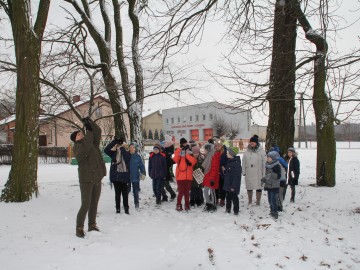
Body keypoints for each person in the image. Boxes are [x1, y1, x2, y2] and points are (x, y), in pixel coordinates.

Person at [70, 117, 106, 238]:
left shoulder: (92, 144)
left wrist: (90, 123)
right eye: (78, 135)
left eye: (81, 133)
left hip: (97, 177)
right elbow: (86, 146)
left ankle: (92, 225)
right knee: (86, 204)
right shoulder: (77, 148)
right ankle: (79, 227)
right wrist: (89, 131)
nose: (81, 134)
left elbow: (98, 131)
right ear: (75, 139)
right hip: (86, 179)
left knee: (94, 203)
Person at [104, 137, 131, 214]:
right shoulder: (114, 154)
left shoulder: (127, 154)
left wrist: (122, 147)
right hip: (116, 177)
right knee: (117, 195)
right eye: (118, 146)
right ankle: (118, 209)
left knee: (125, 195)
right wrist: (114, 141)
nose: (118, 147)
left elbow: (127, 158)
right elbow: (106, 150)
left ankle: (126, 209)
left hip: (124, 177)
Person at [173, 138, 197, 211]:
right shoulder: (178, 151)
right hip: (180, 176)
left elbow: (193, 162)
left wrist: (186, 154)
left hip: (188, 176)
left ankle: (187, 205)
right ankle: (178, 205)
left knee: (187, 192)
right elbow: (175, 160)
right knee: (181, 192)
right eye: (183, 143)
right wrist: (180, 152)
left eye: (186, 143)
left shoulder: (189, 152)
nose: (185, 144)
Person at [242, 135, 267, 206]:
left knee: (259, 186)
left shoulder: (261, 151)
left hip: (258, 172)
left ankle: (258, 201)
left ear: (256, 143)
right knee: (249, 186)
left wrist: (264, 173)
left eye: (253, 142)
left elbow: (264, 163)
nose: (252, 143)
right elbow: (243, 162)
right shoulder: (246, 151)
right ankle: (250, 201)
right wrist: (243, 171)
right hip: (249, 172)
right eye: (251, 142)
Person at [202, 141, 222, 212]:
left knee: (212, 191)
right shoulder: (208, 155)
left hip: (212, 176)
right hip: (207, 175)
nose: (204, 150)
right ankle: (208, 203)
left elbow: (214, 168)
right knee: (205, 191)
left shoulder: (214, 155)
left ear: (208, 149)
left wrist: (212, 178)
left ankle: (213, 205)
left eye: (205, 149)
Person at [261, 151, 282, 219]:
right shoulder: (267, 165)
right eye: (267, 157)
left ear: (273, 158)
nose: (267, 159)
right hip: (268, 185)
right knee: (270, 200)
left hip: (274, 186)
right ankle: (271, 210)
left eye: (269, 157)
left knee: (274, 200)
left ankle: (275, 212)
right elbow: (267, 175)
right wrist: (264, 179)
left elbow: (278, 176)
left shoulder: (277, 166)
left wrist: (270, 175)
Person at [223, 146, 242, 215]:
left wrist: (233, 186)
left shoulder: (236, 163)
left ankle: (236, 211)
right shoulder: (229, 161)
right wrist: (225, 171)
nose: (226, 154)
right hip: (228, 183)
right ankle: (228, 209)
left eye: (228, 153)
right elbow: (229, 173)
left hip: (233, 185)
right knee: (228, 197)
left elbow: (236, 176)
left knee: (234, 197)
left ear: (231, 154)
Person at [128, 142, 146, 209]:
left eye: (133, 147)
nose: (131, 148)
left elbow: (141, 166)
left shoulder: (138, 157)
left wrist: (143, 173)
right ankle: (125, 203)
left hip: (135, 176)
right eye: (130, 147)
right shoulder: (127, 155)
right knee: (127, 190)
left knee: (135, 191)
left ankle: (136, 203)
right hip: (127, 177)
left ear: (135, 148)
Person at [161, 135, 177, 202]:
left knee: (165, 183)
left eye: (166, 141)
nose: (165, 142)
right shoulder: (164, 148)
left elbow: (169, 158)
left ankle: (172, 194)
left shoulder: (170, 148)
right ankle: (164, 196)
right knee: (161, 183)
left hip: (167, 168)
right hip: (162, 168)